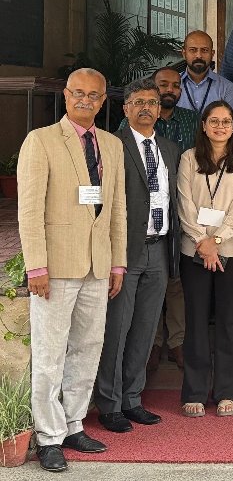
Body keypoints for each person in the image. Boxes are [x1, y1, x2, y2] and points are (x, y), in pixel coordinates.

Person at [19, 68, 126, 472]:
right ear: (65, 96)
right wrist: (36, 266)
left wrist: (117, 262)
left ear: (103, 100)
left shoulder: (111, 145)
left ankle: (73, 423)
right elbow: (29, 210)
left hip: (98, 266)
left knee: (87, 347)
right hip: (56, 266)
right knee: (50, 353)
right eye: (78, 93)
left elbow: (117, 210)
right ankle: (48, 436)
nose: (85, 100)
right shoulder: (41, 140)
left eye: (93, 95)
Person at [95, 79, 181, 433]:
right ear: (126, 108)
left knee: (145, 329)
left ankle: (132, 399)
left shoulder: (170, 149)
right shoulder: (112, 144)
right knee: (117, 328)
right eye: (139, 102)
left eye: (152, 102)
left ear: (160, 110)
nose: (146, 107)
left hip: (159, 248)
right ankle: (109, 403)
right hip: (124, 251)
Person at [176, 101, 233, 418]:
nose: (220, 126)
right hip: (193, 250)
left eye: (226, 121)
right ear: (204, 125)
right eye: (214, 121)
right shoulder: (188, 157)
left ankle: (227, 391)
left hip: (232, 250)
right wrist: (202, 242)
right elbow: (184, 204)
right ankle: (194, 391)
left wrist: (217, 241)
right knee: (195, 320)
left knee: (227, 320)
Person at [177, 30, 233, 117]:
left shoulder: (227, 88)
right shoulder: (172, 85)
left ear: (212, 54)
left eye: (204, 50)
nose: (199, 55)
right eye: (193, 50)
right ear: (184, 54)